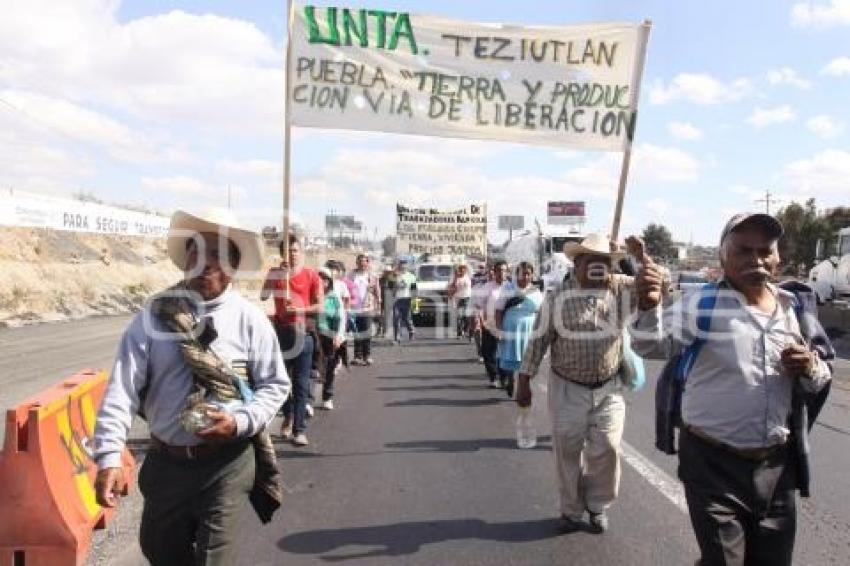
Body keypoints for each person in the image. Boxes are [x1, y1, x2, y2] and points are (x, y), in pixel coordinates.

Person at [630, 213, 832, 566]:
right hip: (712, 466)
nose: (755, 259)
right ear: (723, 257)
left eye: (764, 250)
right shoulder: (701, 305)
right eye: (743, 250)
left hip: (777, 468)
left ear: (777, 257)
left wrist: (810, 366)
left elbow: (821, 377)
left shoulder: (795, 307)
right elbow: (651, 347)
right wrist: (648, 307)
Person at [93, 208, 290, 564]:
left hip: (226, 465)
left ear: (232, 266)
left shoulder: (250, 320)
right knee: (160, 551)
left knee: (213, 558)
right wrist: (108, 457)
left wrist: (240, 422)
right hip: (167, 465)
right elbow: (121, 389)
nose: (205, 263)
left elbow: (275, 385)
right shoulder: (154, 317)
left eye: (216, 254)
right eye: (196, 252)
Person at [516, 233, 638, 534]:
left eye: (604, 264)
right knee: (567, 451)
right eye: (591, 263)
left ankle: (597, 505)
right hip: (567, 388)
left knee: (607, 449)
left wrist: (639, 258)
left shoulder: (620, 289)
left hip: (609, 388)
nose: (598, 269)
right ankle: (571, 510)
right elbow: (537, 342)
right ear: (578, 263)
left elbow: (658, 288)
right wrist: (524, 381)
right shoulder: (557, 298)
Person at [261, 234, 323, 447]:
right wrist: (277, 275)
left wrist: (300, 309)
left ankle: (299, 429)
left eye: (296, 250)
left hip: (303, 334)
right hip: (281, 333)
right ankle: (287, 414)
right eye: (288, 251)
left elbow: (319, 306)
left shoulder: (312, 275)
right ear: (282, 254)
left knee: (301, 384)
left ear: (301, 252)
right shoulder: (276, 273)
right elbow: (263, 295)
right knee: (280, 380)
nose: (292, 254)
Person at [496, 262, 543, 398]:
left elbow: (541, 312)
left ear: (532, 275)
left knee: (526, 360)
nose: (525, 276)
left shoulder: (536, 291)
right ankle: (511, 379)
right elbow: (498, 310)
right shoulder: (508, 288)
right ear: (517, 274)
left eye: (528, 274)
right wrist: (499, 329)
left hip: (529, 329)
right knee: (511, 356)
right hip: (511, 327)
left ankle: (522, 386)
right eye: (522, 273)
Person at [474, 260, 514, 388]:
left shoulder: (511, 287)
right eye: (499, 271)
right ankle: (493, 376)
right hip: (490, 325)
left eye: (504, 270)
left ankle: (504, 377)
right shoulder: (487, 287)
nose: (501, 273)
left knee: (504, 352)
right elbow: (479, 306)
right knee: (488, 352)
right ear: (494, 272)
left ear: (507, 272)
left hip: (506, 325)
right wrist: (481, 322)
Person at [316, 267, 345, 410]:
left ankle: (327, 396)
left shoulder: (334, 297)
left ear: (329, 282)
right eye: (319, 279)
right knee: (313, 368)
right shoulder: (312, 296)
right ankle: (307, 402)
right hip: (314, 335)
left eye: (324, 279)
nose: (322, 282)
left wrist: (339, 336)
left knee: (329, 367)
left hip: (330, 336)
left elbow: (340, 317)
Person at [347, 254, 382, 365]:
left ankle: (367, 356)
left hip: (368, 307)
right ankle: (357, 356)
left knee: (366, 332)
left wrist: (379, 304)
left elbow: (377, 291)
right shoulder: (351, 275)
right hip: (354, 308)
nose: (362, 264)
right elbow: (346, 289)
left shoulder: (372, 276)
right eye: (360, 261)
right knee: (357, 332)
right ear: (357, 263)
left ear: (367, 263)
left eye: (364, 261)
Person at [392, 259, 418, 343]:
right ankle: (397, 338)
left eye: (405, 265)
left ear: (407, 266)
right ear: (399, 266)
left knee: (407, 318)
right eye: (401, 265)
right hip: (397, 299)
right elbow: (389, 287)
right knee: (396, 318)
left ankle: (411, 331)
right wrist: (395, 285)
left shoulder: (411, 276)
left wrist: (415, 303)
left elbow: (414, 290)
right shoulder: (394, 276)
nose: (403, 266)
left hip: (407, 299)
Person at [449, 264, 473, 339]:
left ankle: (466, 330)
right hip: (458, 299)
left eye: (464, 270)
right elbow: (452, 287)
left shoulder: (468, 277)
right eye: (461, 270)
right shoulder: (455, 278)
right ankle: (459, 333)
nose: (462, 272)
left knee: (466, 316)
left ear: (465, 271)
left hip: (467, 298)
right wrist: (456, 278)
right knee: (459, 317)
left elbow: (469, 268)